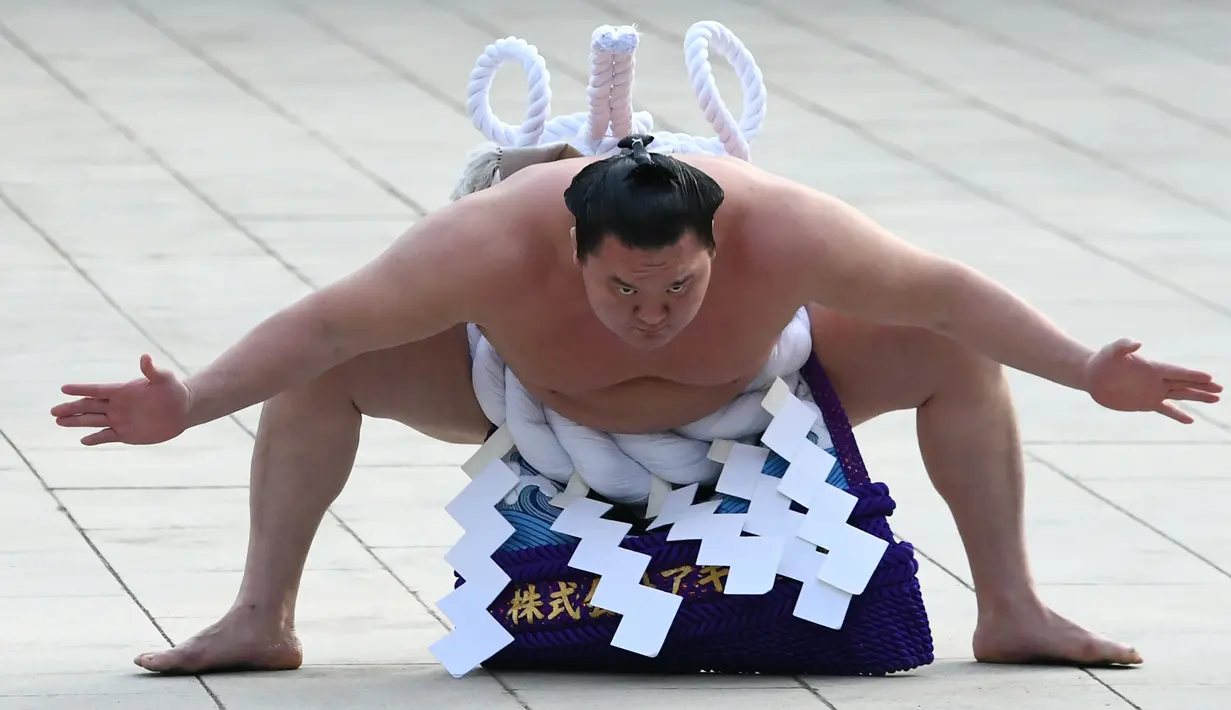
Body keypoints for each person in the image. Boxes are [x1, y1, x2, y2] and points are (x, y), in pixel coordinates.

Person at [51, 135, 1221, 675]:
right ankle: (260, 614)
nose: (650, 309)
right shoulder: (488, 241)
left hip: (759, 402)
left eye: (678, 284)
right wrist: (192, 399)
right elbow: (328, 325)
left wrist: (1088, 369)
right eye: (620, 284)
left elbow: (953, 294)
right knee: (324, 372)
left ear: (722, 242)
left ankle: (1010, 606)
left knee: (952, 351)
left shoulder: (788, 227)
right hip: (524, 399)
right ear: (569, 249)